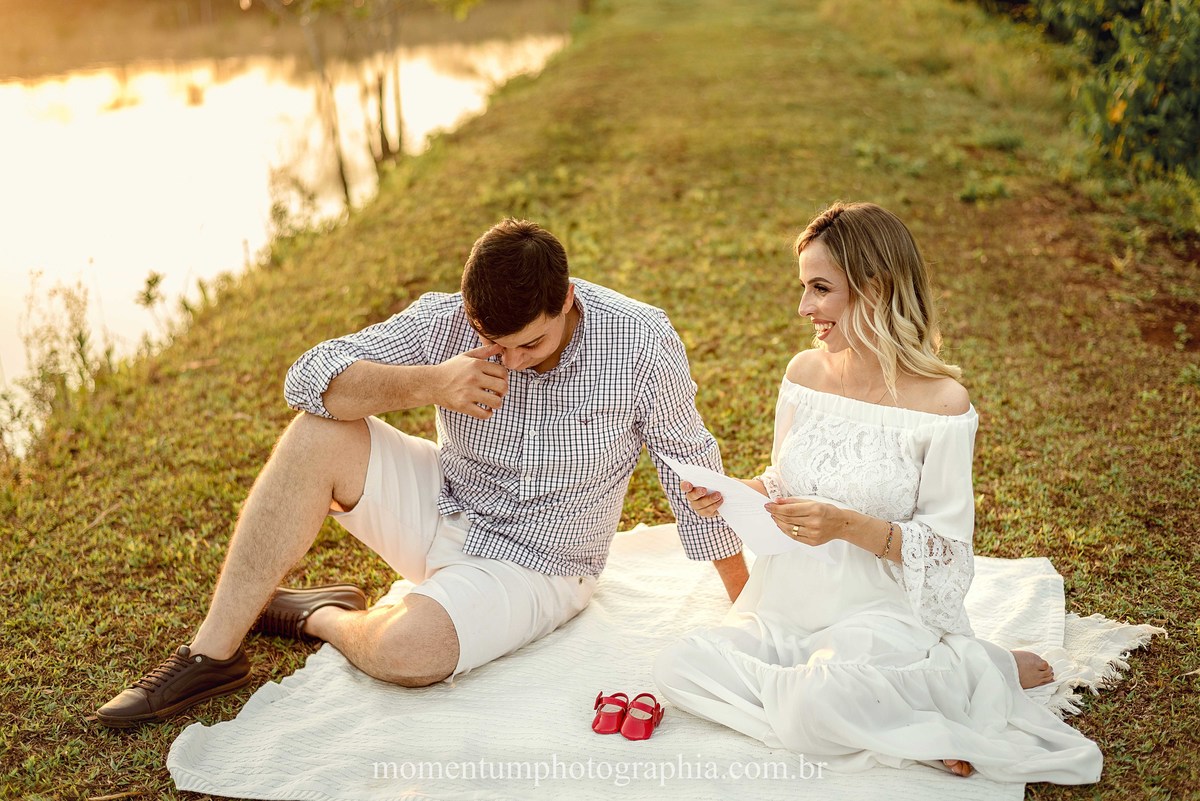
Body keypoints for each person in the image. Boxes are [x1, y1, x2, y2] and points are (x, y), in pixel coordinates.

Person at [97, 218, 747, 728]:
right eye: (495, 344)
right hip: (445, 500)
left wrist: (748, 609)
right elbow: (308, 378)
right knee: (318, 429)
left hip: (542, 564)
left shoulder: (639, 340)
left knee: (409, 652)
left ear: (568, 299)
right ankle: (211, 654)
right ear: (469, 311)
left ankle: (319, 616)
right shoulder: (445, 319)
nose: (513, 362)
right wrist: (430, 382)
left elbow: (690, 470)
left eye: (532, 344)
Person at [653, 202, 1103, 783]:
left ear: (875, 289)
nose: (804, 307)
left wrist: (846, 525)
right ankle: (907, 699)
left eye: (821, 289)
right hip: (786, 603)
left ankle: (952, 673)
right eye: (804, 287)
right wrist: (736, 493)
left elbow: (946, 549)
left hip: (877, 615)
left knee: (818, 695)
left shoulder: (943, 404)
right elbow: (783, 480)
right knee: (680, 665)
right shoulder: (803, 374)